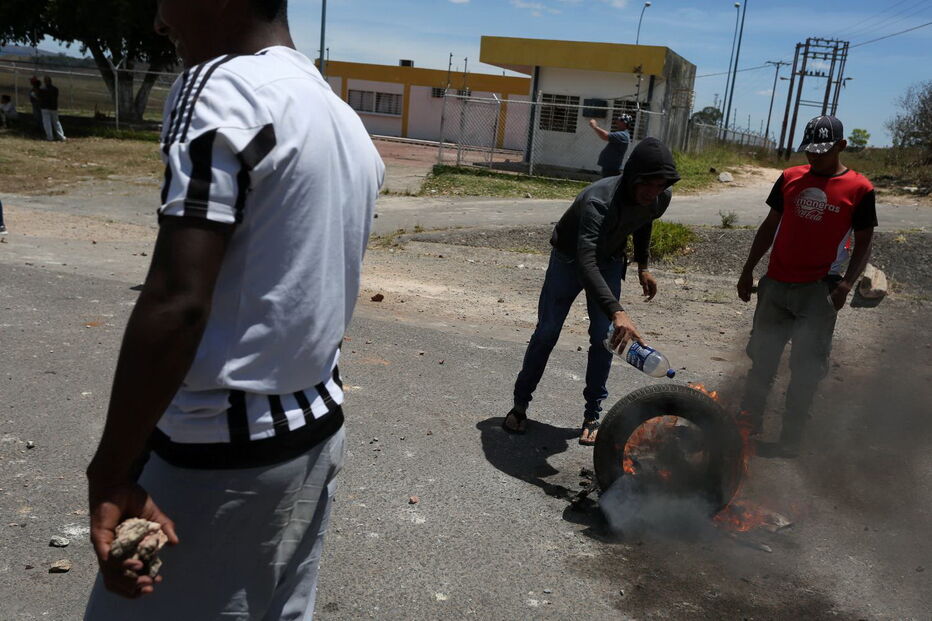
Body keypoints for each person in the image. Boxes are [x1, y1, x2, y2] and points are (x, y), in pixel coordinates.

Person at [83, 0, 384, 618]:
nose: (158, 19)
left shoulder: (225, 87)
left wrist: (111, 473)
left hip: (219, 455)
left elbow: (178, 300)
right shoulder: (343, 118)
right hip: (314, 435)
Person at [504, 137, 680, 445]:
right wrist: (618, 311)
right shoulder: (599, 200)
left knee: (605, 339)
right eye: (648, 185)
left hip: (610, 260)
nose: (653, 193)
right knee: (547, 332)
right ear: (632, 177)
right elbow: (586, 261)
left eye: (660, 185)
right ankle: (519, 406)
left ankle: (592, 414)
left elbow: (644, 219)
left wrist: (643, 266)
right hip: (570, 258)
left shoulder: (658, 198)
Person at [736, 115, 876, 458]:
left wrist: (845, 285)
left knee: (806, 370)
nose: (815, 157)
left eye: (823, 151)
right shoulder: (789, 178)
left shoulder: (860, 189)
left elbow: (864, 242)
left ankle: (790, 442)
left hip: (818, 291)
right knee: (762, 361)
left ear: (841, 146)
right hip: (776, 285)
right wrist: (748, 269)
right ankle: (744, 430)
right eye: (810, 150)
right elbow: (769, 227)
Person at [589, 113, 633, 178]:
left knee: (608, 185)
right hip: (610, 167)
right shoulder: (622, 134)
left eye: (619, 120)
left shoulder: (623, 135)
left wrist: (595, 127)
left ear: (624, 123)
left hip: (612, 168)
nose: (617, 122)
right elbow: (604, 136)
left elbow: (605, 136)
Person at [39, 76, 66, 141]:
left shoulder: (42, 90)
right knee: (56, 122)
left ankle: (50, 137)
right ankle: (61, 136)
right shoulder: (55, 89)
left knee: (47, 123)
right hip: (54, 107)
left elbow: (40, 97)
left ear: (45, 82)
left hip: (45, 108)